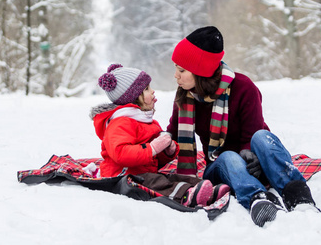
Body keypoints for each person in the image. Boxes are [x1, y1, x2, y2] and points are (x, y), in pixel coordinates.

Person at [166, 26, 318, 227]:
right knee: (229, 156)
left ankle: (298, 196)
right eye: (176, 68)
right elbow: (172, 137)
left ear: (201, 70)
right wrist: (152, 149)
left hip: (255, 162)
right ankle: (258, 199)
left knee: (262, 137)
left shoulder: (244, 88)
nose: (176, 75)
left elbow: (253, 131)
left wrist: (249, 151)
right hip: (220, 166)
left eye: (182, 70)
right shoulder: (186, 96)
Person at [91, 63, 230, 207]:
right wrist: (152, 148)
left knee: (173, 178)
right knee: (159, 183)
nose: (152, 91)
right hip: (123, 177)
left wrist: (167, 151)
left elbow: (153, 159)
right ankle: (187, 196)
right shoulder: (120, 123)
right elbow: (120, 154)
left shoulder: (147, 121)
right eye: (146, 89)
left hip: (145, 173)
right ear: (133, 97)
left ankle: (207, 189)